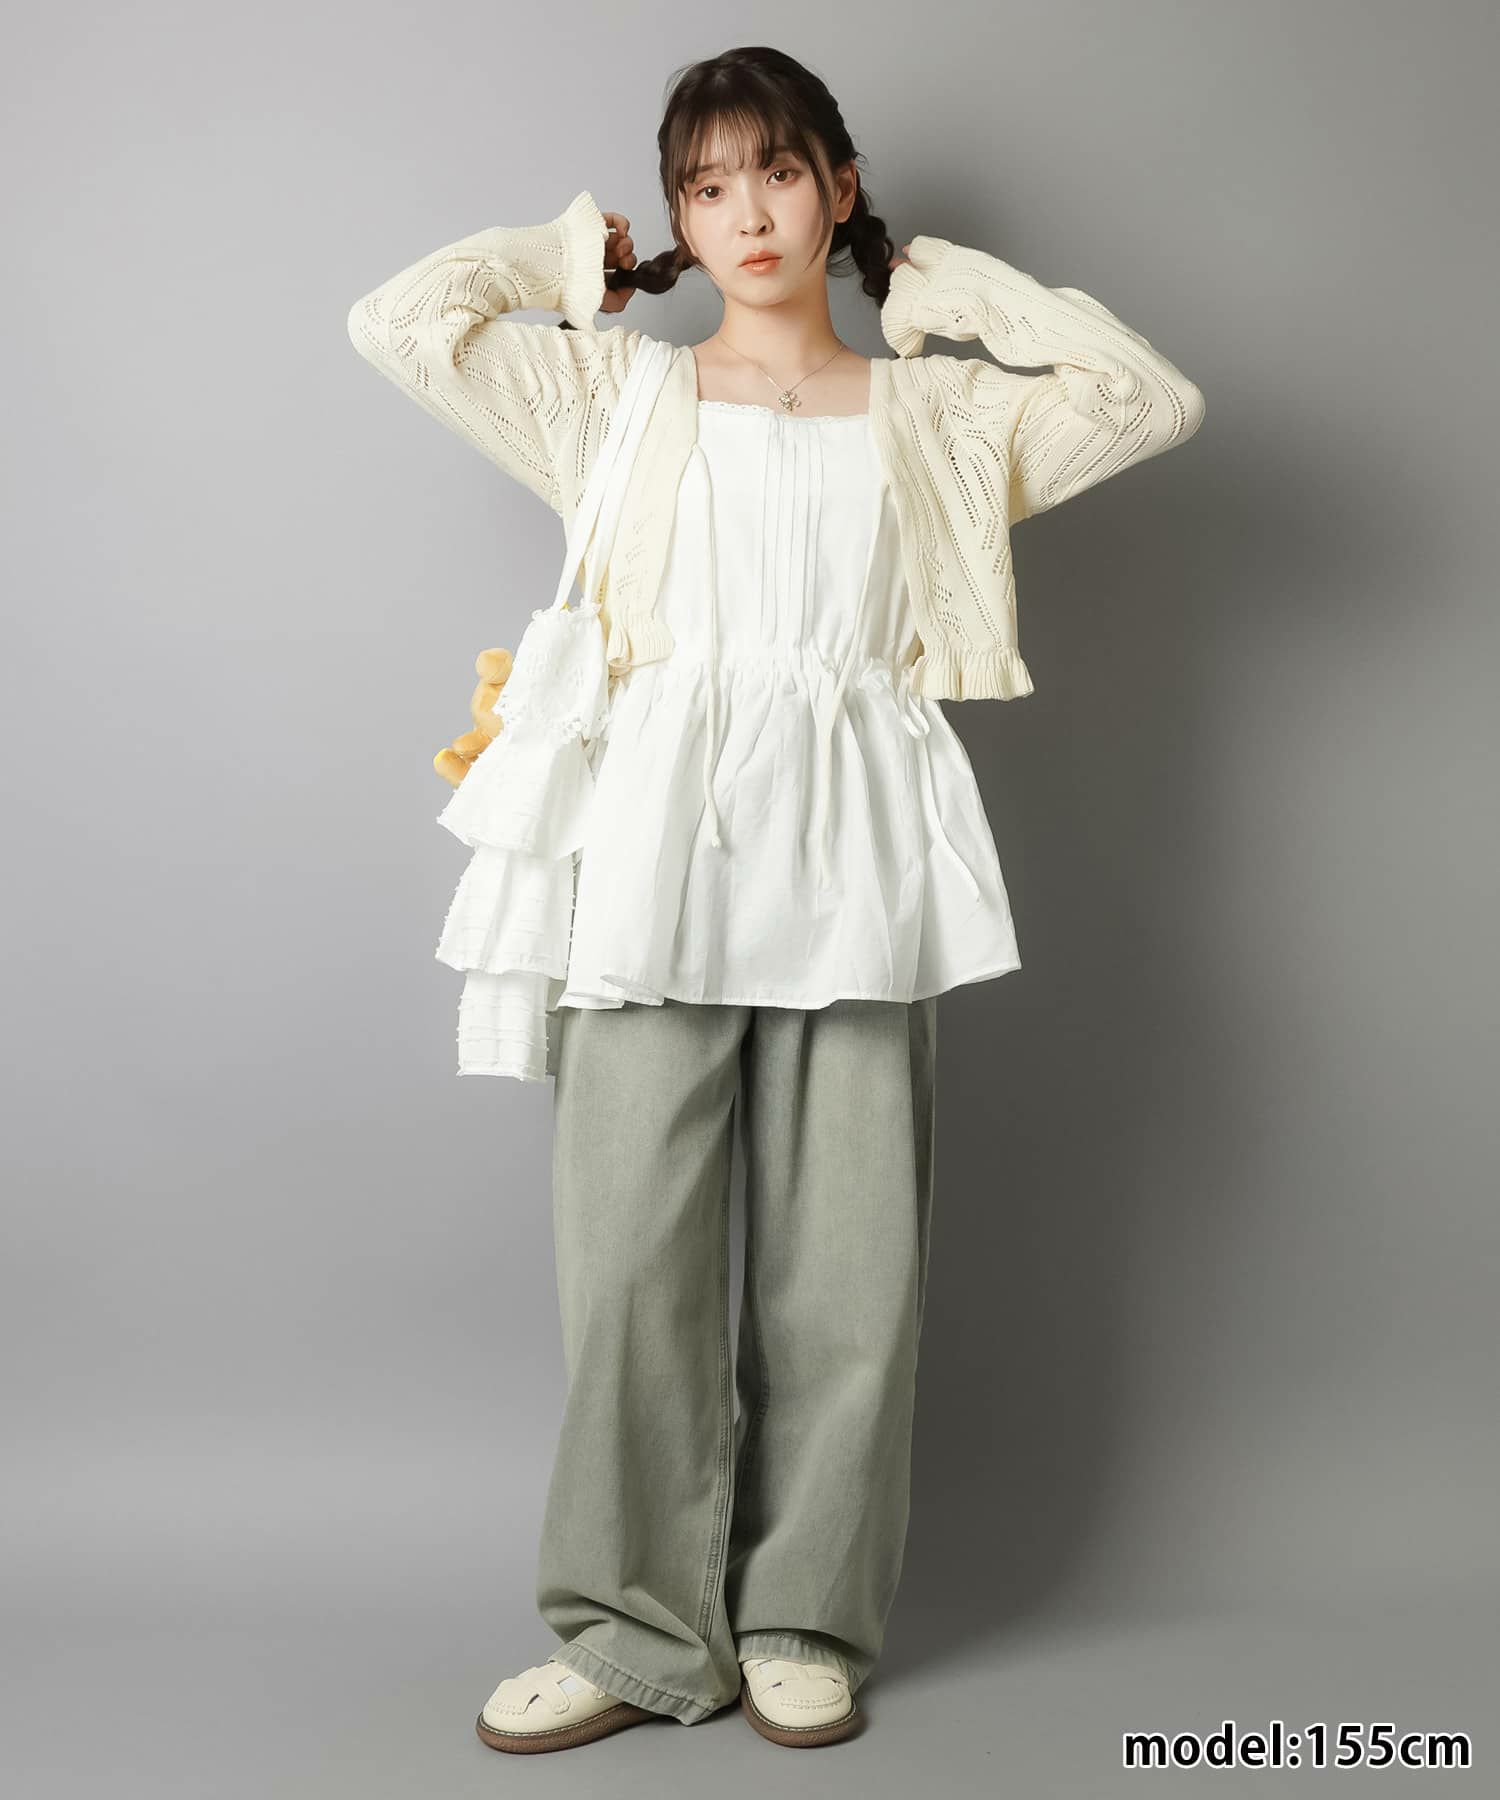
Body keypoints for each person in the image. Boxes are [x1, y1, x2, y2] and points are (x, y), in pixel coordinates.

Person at [345, 44, 1205, 1756]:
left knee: (848, 1274)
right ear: (677, 210)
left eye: (782, 171)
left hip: (860, 853)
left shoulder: (938, 415)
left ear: (839, 187)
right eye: (707, 185)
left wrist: (946, 295)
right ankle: (633, 1628)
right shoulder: (614, 396)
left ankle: (804, 1615)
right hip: (650, 852)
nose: (747, 214)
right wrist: (559, 261)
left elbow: (1146, 399)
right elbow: (400, 324)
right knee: (631, 1271)